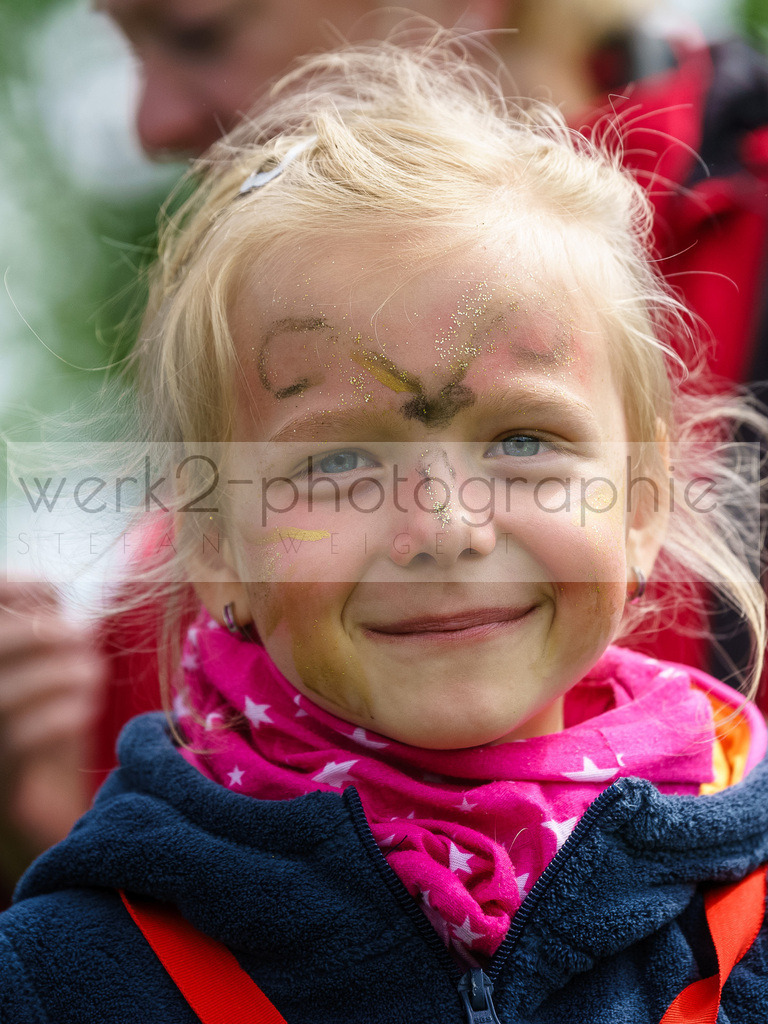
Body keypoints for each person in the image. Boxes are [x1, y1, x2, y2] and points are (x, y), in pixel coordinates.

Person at [1, 39, 767, 1023]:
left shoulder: (745, 943)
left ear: (643, 500)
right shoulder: (61, 980)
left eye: (524, 440)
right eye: (338, 463)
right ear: (214, 542)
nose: (445, 529)